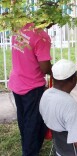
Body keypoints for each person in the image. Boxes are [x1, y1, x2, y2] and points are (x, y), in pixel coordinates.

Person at [8, 20, 53, 155]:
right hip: (32, 87)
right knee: (33, 124)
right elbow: (44, 67)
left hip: (17, 83)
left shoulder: (20, 27)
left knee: (24, 120)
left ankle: (28, 148)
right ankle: (29, 152)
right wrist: (54, 72)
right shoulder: (42, 36)